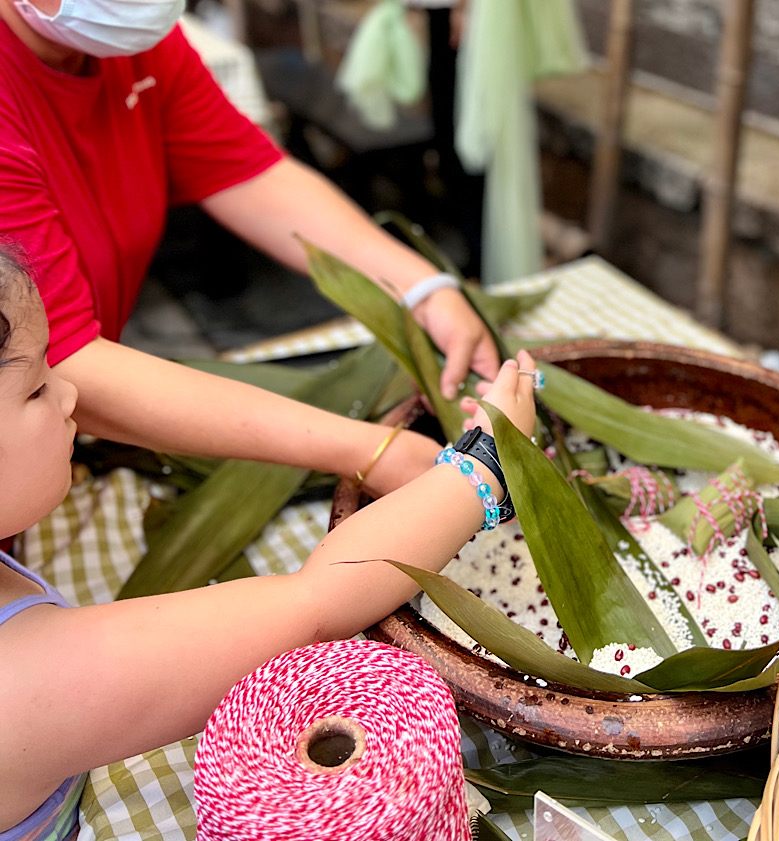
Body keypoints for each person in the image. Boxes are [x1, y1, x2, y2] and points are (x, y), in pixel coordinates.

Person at [0, 250, 537, 837]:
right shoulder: (25, 682)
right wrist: (482, 472)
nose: (72, 392)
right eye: (35, 391)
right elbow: (319, 601)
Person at [0, 0, 501, 500]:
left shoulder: (135, 48)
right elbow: (57, 358)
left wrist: (422, 287)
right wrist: (367, 451)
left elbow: (244, 170)